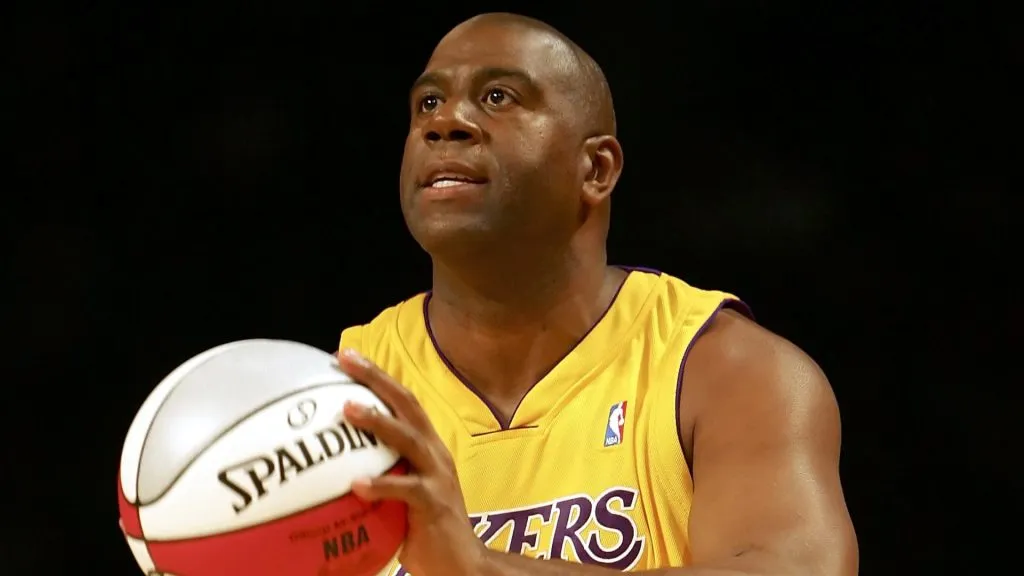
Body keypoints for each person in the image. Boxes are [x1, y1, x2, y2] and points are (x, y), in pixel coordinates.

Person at [335, 12, 858, 576]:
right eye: (428, 105)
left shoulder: (727, 372)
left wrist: (480, 568)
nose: (447, 123)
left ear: (596, 168)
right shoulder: (341, 395)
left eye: (497, 96)